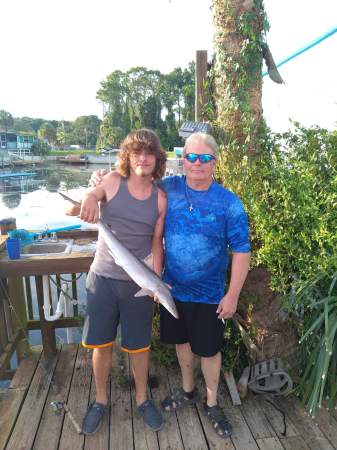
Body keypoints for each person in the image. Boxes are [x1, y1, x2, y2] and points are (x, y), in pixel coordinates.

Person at [89, 132, 250, 439]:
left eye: (205, 158)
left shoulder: (229, 203)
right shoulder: (169, 189)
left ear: (215, 161)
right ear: (182, 160)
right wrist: (100, 181)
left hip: (211, 293)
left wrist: (232, 295)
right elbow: (136, 181)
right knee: (183, 345)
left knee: (210, 350)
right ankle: (188, 391)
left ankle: (213, 402)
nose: (197, 164)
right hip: (172, 289)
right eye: (191, 157)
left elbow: (242, 251)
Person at [68, 128, 167, 435]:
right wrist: (87, 197)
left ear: (157, 159)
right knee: (101, 343)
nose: (143, 157)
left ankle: (142, 400)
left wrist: (157, 281)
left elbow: (156, 242)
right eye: (137, 152)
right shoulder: (111, 181)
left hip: (138, 284)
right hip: (103, 279)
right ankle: (100, 400)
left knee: (139, 347)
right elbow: (93, 196)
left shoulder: (160, 199)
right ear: (128, 156)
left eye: (150, 153)